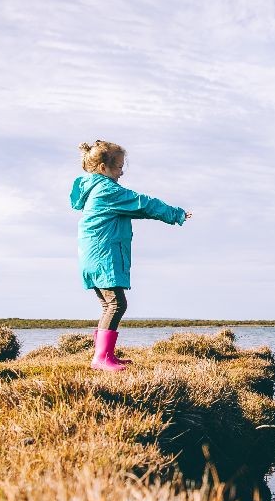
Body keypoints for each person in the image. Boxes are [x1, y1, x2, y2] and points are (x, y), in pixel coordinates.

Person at [70, 140, 192, 371]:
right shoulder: (108, 190)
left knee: (109, 305)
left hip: (93, 257)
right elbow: (142, 204)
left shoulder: (95, 189)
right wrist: (175, 214)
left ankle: (105, 355)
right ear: (103, 168)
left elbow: (138, 210)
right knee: (116, 304)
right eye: (118, 167)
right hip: (104, 255)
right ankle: (101, 358)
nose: (121, 171)